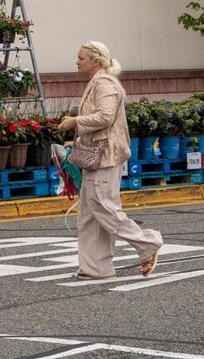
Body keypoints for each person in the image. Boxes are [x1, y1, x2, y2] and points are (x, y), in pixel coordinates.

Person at [60, 40, 161, 279]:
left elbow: (105, 117)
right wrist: (77, 141)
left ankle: (147, 244)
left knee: (103, 207)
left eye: (81, 58)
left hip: (105, 157)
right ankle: (96, 268)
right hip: (97, 155)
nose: (77, 62)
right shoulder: (98, 82)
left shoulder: (104, 83)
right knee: (89, 214)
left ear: (96, 61)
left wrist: (75, 121)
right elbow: (106, 123)